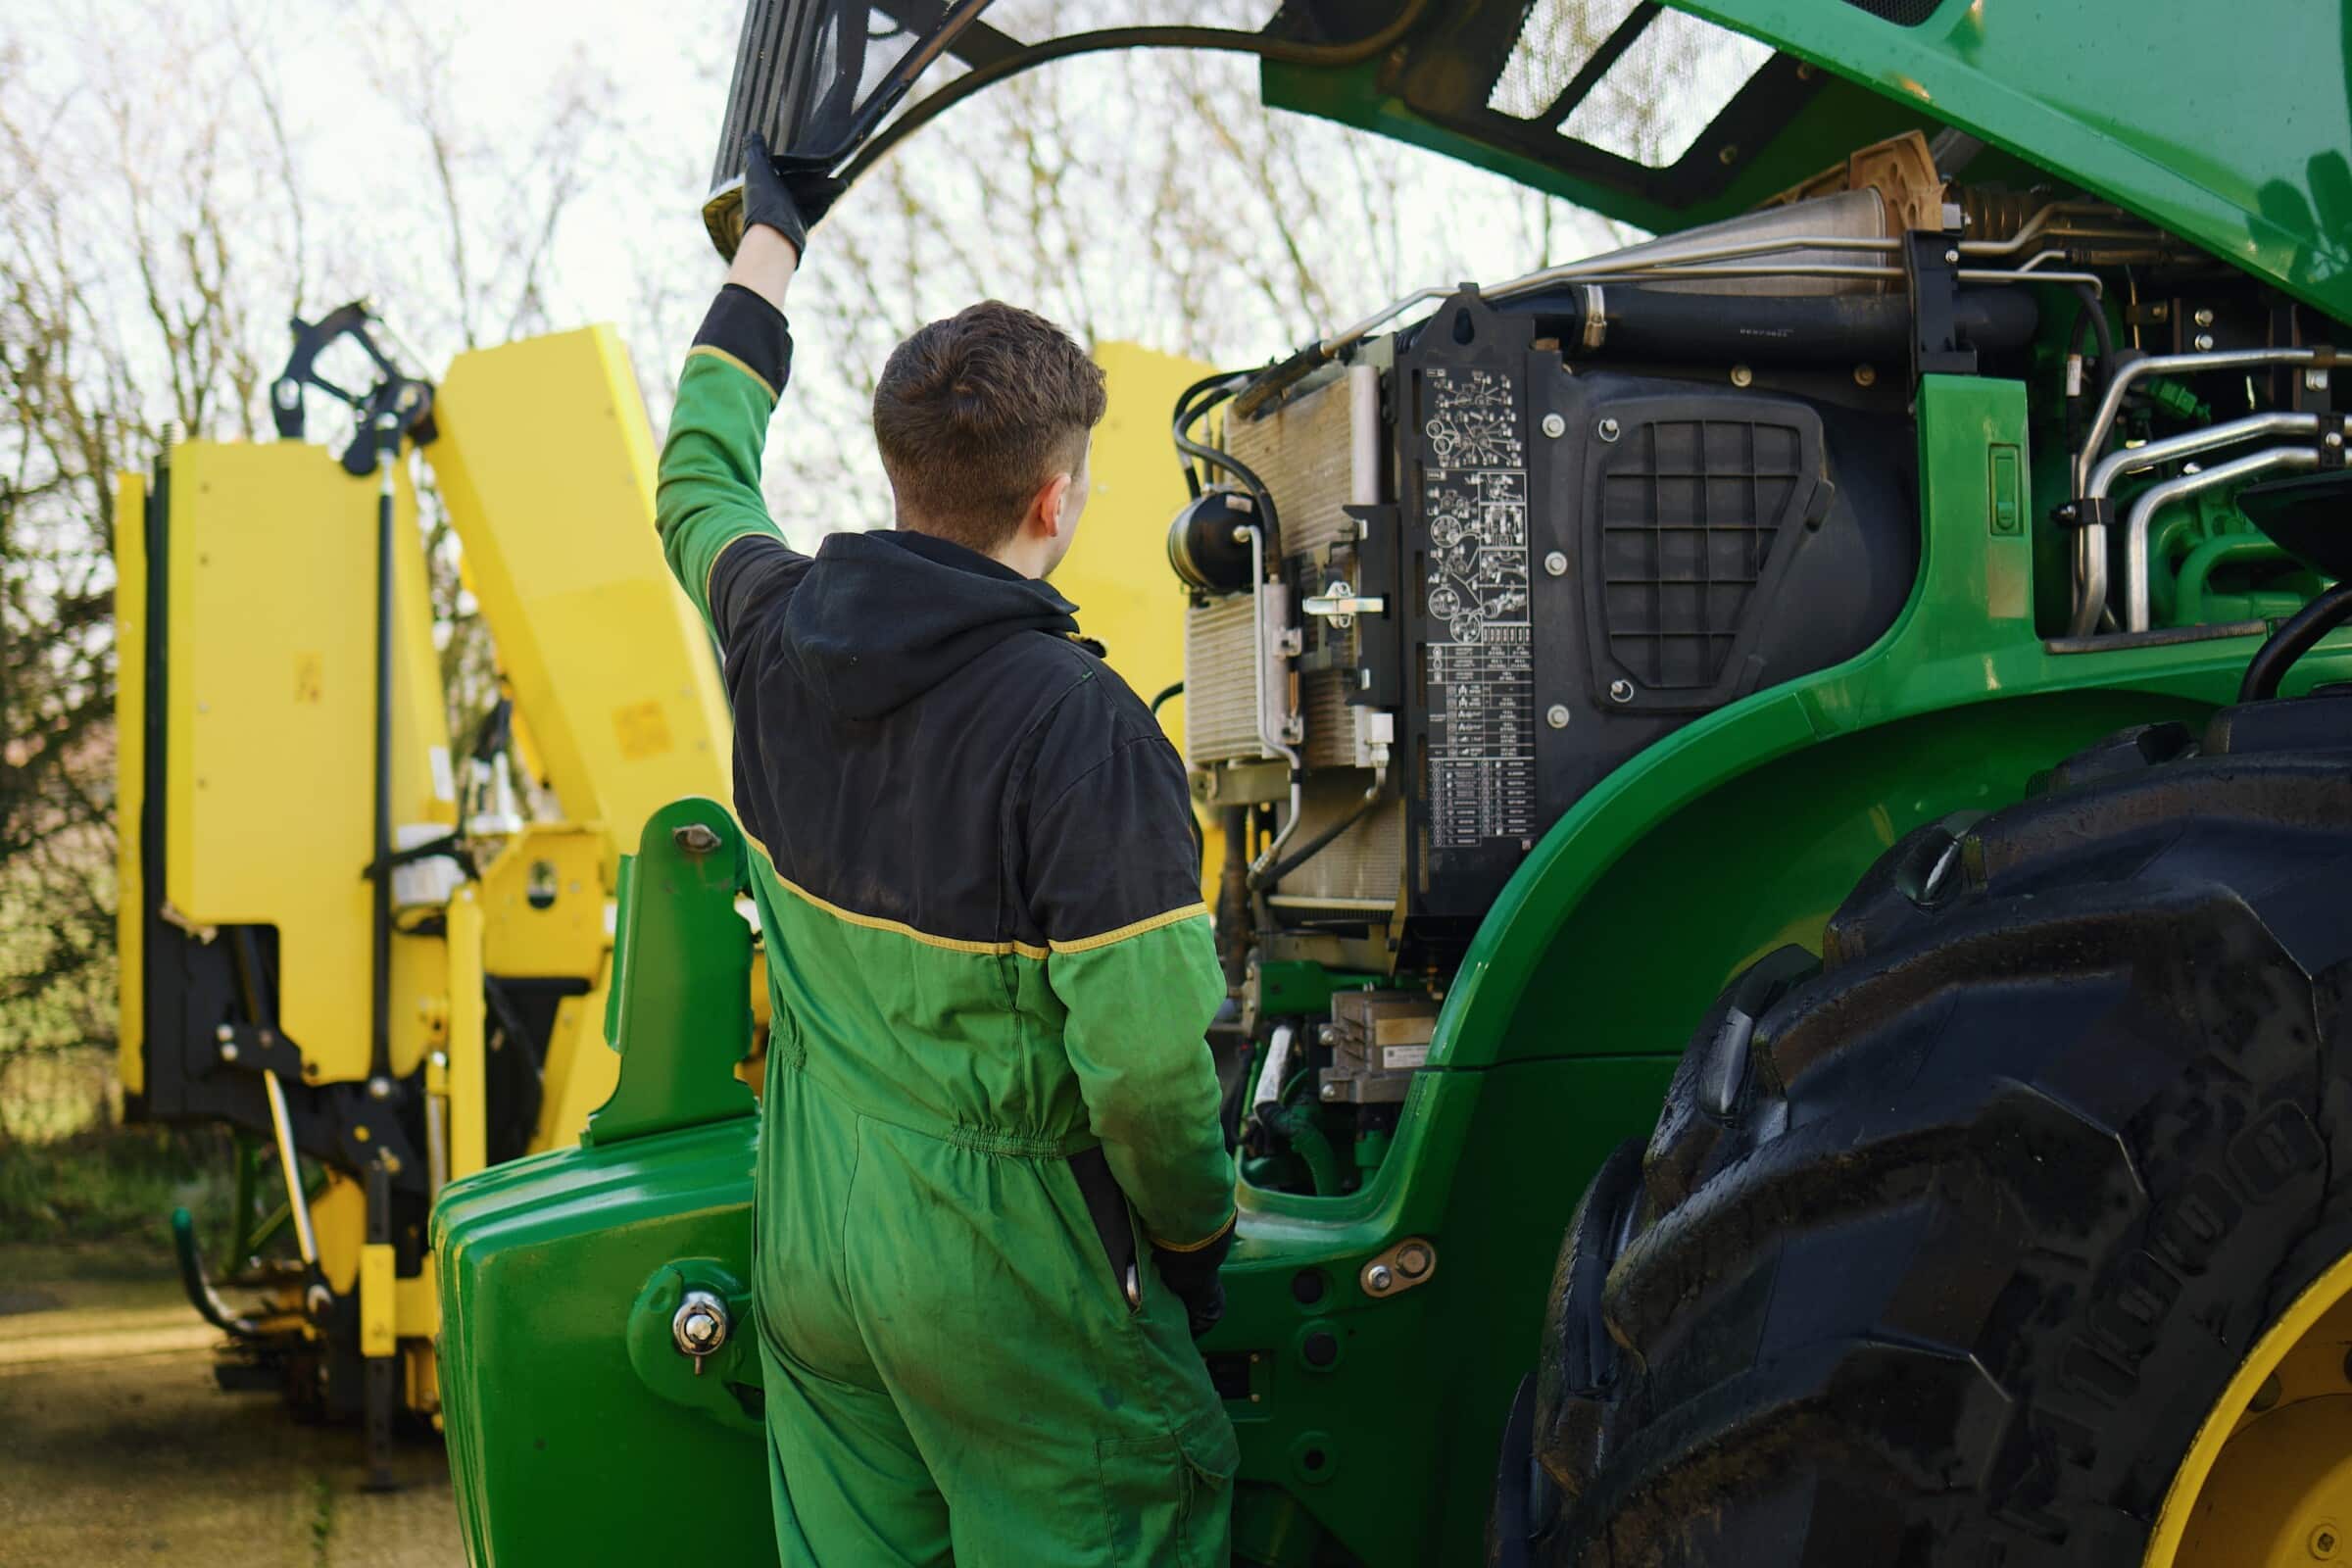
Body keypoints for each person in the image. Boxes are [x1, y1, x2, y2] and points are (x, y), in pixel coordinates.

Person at [655, 135, 1239, 1567]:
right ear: (1055, 500)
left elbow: (695, 479)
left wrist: (768, 247)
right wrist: (1195, 1244)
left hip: (816, 1253)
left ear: (900, 470)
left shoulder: (772, 631)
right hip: (1007, 1291)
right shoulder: (1085, 731)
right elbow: (1152, 1076)